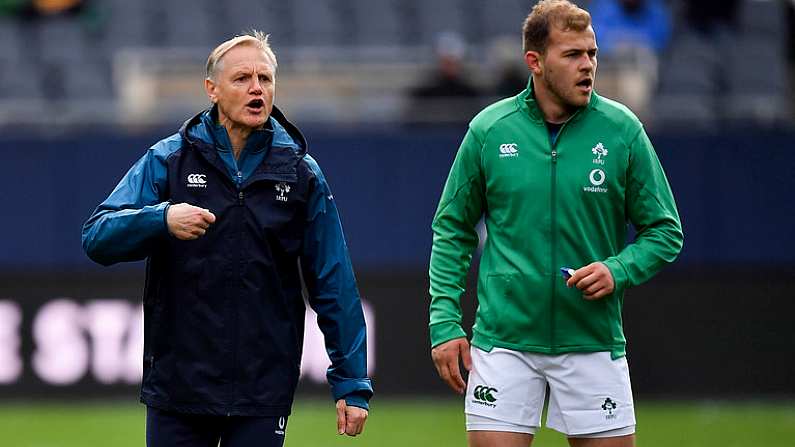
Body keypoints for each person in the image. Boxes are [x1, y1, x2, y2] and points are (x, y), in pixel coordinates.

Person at [82, 31, 372, 447]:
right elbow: (96, 236)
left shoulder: (301, 172)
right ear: (212, 90)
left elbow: (334, 280)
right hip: (179, 388)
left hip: (262, 390)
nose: (257, 88)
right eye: (242, 79)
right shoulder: (168, 159)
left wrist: (352, 381)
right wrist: (161, 219)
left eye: (265, 79)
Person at [428, 1, 683, 447]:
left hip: (591, 339)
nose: (588, 66)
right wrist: (445, 322)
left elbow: (665, 231)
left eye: (592, 53)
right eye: (572, 55)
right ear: (536, 62)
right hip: (503, 341)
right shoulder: (489, 130)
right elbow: (452, 229)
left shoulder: (622, 130)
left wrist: (617, 270)